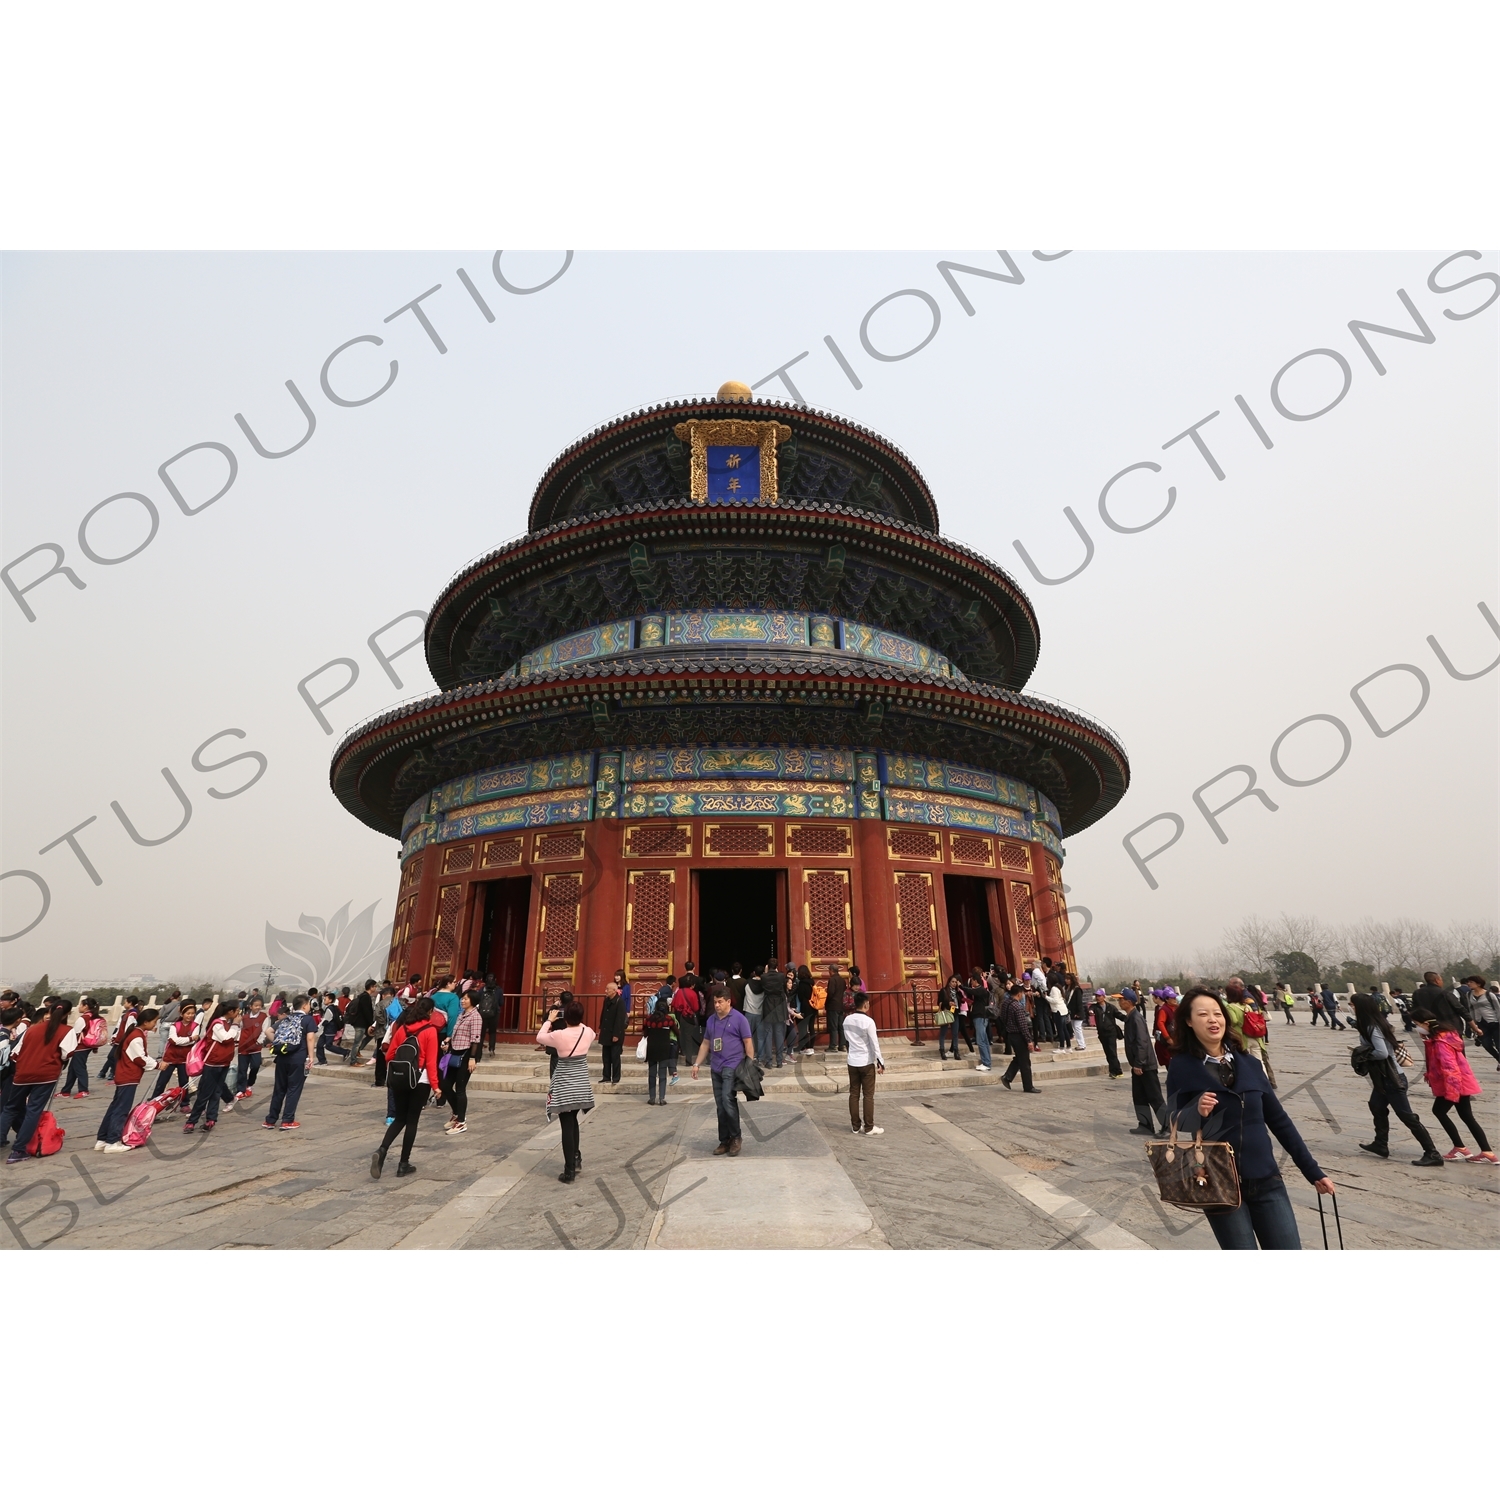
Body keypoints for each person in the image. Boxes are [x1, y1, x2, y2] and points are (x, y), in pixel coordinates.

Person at [1167, 986, 1334, 1249]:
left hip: (1266, 1179)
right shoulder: (1181, 1066)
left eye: (1217, 1013)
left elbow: (1279, 1121)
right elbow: (1173, 1120)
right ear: (1188, 1021)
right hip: (1218, 1182)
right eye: (1203, 1014)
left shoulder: (1250, 1065)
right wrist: (1194, 1111)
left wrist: (1312, 1171)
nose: (1213, 1019)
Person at [1350, 994, 1442, 1166]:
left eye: (1352, 1004)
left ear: (1360, 1007)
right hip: (1383, 1078)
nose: (1351, 1007)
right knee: (1376, 1106)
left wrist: (1363, 1054)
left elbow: (1382, 1052)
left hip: (1392, 1078)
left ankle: (1432, 1153)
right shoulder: (1370, 1024)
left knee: (1406, 1115)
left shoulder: (1372, 1026)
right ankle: (1380, 1144)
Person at [1408, 1007, 1495, 1163]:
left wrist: (1452, 1092)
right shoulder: (1443, 1037)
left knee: (1439, 1111)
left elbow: (1450, 1068)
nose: (1416, 1027)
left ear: (1426, 1023)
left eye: (1417, 1023)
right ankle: (1487, 1152)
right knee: (1467, 1116)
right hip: (1461, 1082)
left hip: (1454, 1084)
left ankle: (1460, 1148)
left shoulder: (1441, 1042)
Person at [372, 995, 443, 1179]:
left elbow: (389, 1055)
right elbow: (431, 1062)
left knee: (399, 1119)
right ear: (430, 1012)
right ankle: (403, 1163)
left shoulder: (403, 1029)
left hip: (400, 1078)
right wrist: (436, 1086)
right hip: (421, 1079)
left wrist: (396, 1070)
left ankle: (382, 1149)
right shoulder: (430, 1031)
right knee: (412, 1121)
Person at [2, 999, 77, 1163]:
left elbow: (15, 1053)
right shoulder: (66, 1031)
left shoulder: (32, 1029)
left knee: (10, 1108)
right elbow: (67, 1053)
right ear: (68, 1013)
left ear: (48, 1012)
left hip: (22, 1074)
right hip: (46, 1075)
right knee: (33, 1111)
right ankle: (18, 1150)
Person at [538, 997, 595, 1183]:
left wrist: (549, 1019)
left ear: (565, 1016)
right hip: (581, 1085)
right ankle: (576, 1159)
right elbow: (586, 1029)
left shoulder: (559, 1035)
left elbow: (540, 1037)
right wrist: (577, 1018)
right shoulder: (588, 1032)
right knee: (574, 1122)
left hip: (564, 1085)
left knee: (566, 1126)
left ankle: (568, 1170)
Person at [692, 985, 754, 1156]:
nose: (717, 1005)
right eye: (715, 1002)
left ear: (728, 1001)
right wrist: (697, 1064)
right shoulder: (711, 1020)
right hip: (716, 1066)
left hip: (732, 1064)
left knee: (727, 1099)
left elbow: (748, 1042)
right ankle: (724, 1140)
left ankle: (736, 1137)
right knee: (720, 1106)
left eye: (720, 1002)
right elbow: (706, 1043)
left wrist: (749, 1064)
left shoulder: (740, 1019)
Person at [95, 1008, 162, 1152]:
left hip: (124, 1076)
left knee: (115, 1107)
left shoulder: (134, 1033)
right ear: (146, 1022)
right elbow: (139, 1058)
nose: (155, 1024)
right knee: (121, 1109)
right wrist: (157, 1065)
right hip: (128, 1077)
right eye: (155, 1021)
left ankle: (103, 1138)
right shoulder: (136, 1036)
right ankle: (112, 1141)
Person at [184, 1000, 241, 1134]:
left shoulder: (229, 1023)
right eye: (237, 1011)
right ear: (230, 1011)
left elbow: (236, 1038)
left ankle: (211, 1119)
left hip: (224, 1062)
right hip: (213, 1063)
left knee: (216, 1092)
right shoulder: (217, 1024)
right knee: (204, 1094)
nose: (238, 1013)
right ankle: (192, 1121)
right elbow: (226, 1038)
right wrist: (236, 1025)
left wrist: (236, 1026)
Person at [263, 992, 317, 1130]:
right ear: (305, 1006)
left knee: (279, 1089)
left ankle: (270, 1120)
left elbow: (268, 1031)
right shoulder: (308, 1020)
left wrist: (280, 1043)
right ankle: (287, 1120)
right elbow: (310, 1038)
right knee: (293, 1089)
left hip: (281, 1058)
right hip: (298, 1059)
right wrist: (311, 1057)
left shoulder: (286, 1018)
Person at [1121, 990, 1166, 1133]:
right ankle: (1145, 1125)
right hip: (1137, 1064)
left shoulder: (1136, 1018)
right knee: (1139, 1096)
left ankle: (1167, 1127)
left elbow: (1142, 1042)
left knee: (1154, 1097)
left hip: (1145, 1065)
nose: (1119, 1002)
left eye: (1121, 999)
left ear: (1128, 1002)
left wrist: (1139, 1063)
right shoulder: (1130, 1017)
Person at [843, 992, 885, 1135]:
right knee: (868, 1095)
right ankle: (869, 1127)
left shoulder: (847, 1020)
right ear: (866, 1004)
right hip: (866, 1061)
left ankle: (855, 1126)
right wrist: (880, 1061)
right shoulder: (869, 1022)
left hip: (852, 1060)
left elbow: (847, 1040)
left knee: (854, 1093)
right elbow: (874, 1043)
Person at [443, 987, 483, 1135]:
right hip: (454, 1053)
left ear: (472, 1001)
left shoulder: (475, 1017)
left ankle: (461, 1122)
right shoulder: (462, 1015)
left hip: (466, 1055)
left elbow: (475, 1040)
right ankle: (456, 1113)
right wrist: (448, 1043)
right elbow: (456, 1033)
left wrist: (472, 1058)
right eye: (462, 998)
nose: (463, 1000)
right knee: (446, 1085)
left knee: (460, 1089)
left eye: (466, 999)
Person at [60, 999, 106, 1099]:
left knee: (79, 1068)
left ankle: (84, 1090)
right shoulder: (95, 1017)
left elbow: (75, 1033)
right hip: (88, 1046)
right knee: (73, 1068)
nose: (79, 1007)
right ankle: (66, 1091)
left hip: (81, 1046)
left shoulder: (83, 1018)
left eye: (80, 1004)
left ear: (85, 1006)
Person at [998, 984, 1040, 1093]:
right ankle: (1028, 1086)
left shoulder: (1005, 1004)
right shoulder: (1017, 1006)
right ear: (1019, 994)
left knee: (1019, 1058)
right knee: (1025, 1062)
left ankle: (1008, 1076)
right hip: (1019, 1035)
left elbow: (1002, 1017)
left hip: (1010, 1034)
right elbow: (1023, 1025)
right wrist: (1029, 1040)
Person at [152, 1001, 199, 1099]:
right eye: (188, 1013)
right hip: (170, 1057)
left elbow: (191, 1043)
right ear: (182, 1014)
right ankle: (154, 1100)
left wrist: (185, 1040)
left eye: (192, 1013)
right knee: (162, 1081)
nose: (190, 1015)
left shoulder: (195, 1026)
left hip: (184, 1058)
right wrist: (190, 1038)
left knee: (184, 1082)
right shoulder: (174, 1025)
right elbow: (174, 1041)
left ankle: (184, 1103)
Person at [643, 996, 677, 1104]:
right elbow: (677, 1032)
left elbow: (645, 1033)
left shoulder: (649, 1019)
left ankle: (652, 1098)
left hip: (652, 1047)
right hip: (664, 1048)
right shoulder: (669, 1020)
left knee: (652, 1073)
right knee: (662, 1074)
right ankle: (662, 1098)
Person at [1461, 976, 1499, 1069]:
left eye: (1471, 982)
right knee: (1486, 1045)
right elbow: (1471, 1009)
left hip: (1494, 1022)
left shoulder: (1489, 995)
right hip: (1481, 1023)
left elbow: (1498, 1008)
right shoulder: (1469, 994)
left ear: (1478, 983)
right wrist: (1473, 1024)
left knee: (1499, 1045)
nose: (1468, 984)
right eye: (1468, 982)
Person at [234, 994, 268, 1099]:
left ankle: (250, 1084)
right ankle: (241, 1089)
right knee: (242, 1069)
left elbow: (265, 1030)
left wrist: (259, 1041)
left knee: (255, 1066)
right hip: (243, 1047)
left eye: (260, 1005)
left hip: (255, 1048)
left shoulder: (264, 1017)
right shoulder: (244, 1018)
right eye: (256, 1005)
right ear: (250, 1006)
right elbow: (238, 1029)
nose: (258, 1007)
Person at [1089, 989, 1127, 1079]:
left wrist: (1128, 1018)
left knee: (1112, 1052)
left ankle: (1117, 1071)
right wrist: (1090, 1012)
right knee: (1108, 1053)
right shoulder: (1095, 1007)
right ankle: (1112, 1070)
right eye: (1096, 996)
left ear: (1104, 996)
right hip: (1102, 1034)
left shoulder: (1111, 1007)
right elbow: (1090, 1010)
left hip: (1111, 1033)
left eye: (1099, 996)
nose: (1097, 998)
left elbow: (1119, 1015)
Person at [758, 963, 788, 1068]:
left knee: (768, 1034)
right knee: (779, 1034)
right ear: (776, 966)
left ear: (768, 966)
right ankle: (779, 1061)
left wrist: (766, 972)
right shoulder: (781, 976)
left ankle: (769, 1061)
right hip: (779, 1005)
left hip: (768, 1004)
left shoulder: (764, 977)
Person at [598, 979, 627, 1085]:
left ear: (614, 990)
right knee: (605, 1056)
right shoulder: (606, 1001)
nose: (606, 991)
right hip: (606, 1032)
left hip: (615, 1033)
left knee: (615, 1057)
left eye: (608, 989)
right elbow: (603, 1015)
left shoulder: (620, 1002)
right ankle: (606, 1076)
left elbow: (620, 1020)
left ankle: (615, 1077)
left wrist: (616, 1034)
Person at [344, 981, 377, 1066]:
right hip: (360, 1023)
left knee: (370, 1035)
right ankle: (353, 1061)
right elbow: (367, 1011)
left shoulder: (363, 996)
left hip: (362, 1023)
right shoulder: (365, 997)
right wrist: (371, 1023)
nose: (375, 988)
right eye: (375, 986)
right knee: (357, 1042)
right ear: (371, 987)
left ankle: (358, 1051)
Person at [968, 971, 994, 1072]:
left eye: (972, 981)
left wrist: (960, 986)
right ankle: (987, 1061)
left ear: (975, 981)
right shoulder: (982, 990)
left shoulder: (981, 990)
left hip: (980, 1017)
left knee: (981, 1040)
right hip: (981, 1017)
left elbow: (970, 991)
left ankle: (986, 1063)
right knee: (984, 1040)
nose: (971, 983)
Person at [824, 963, 847, 1053]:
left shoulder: (832, 979)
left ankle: (833, 1045)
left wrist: (826, 1002)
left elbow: (831, 992)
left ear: (831, 970)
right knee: (841, 1026)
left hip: (833, 1006)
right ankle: (842, 1045)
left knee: (833, 1026)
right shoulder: (842, 980)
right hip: (841, 1006)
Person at [936, 980, 960, 1061]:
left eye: (955, 982)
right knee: (943, 1032)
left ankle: (956, 1051)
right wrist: (948, 1003)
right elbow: (939, 1002)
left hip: (955, 1013)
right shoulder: (944, 991)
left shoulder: (957, 991)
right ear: (949, 982)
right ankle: (942, 1050)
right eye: (952, 982)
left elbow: (961, 1001)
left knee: (955, 1033)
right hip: (946, 1013)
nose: (954, 983)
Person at [1067, 975, 1089, 1050]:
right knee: (1075, 1028)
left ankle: (1082, 1044)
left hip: (1077, 1013)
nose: (1066, 981)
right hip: (1072, 1012)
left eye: (1068, 979)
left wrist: (1078, 1013)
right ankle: (1080, 1043)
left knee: (1077, 1028)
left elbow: (1079, 1002)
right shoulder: (1069, 989)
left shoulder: (1077, 990)